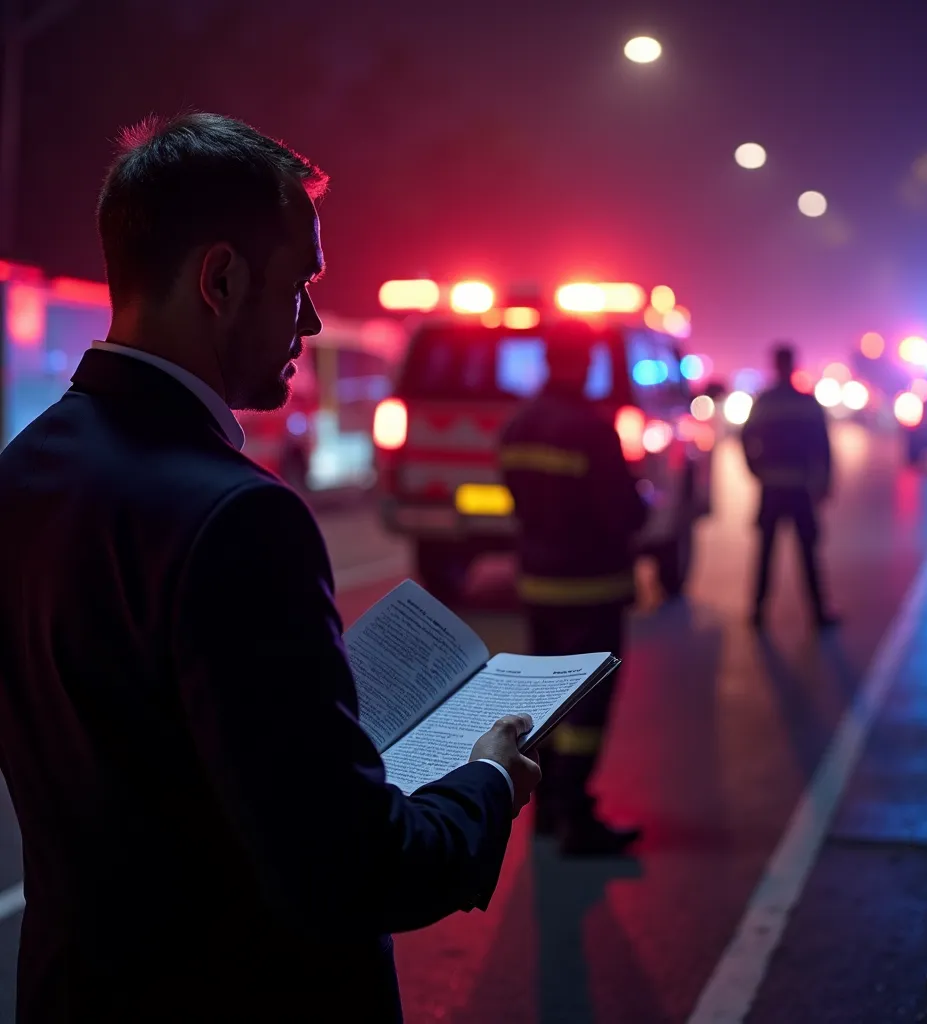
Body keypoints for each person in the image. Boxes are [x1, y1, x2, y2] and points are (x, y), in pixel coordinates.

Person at [0, 113, 541, 1024]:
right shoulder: (240, 517)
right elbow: (349, 870)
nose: (314, 320)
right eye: (300, 284)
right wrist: (486, 781)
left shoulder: (23, 474)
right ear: (220, 280)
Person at [498, 322, 647, 856]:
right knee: (587, 710)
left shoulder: (518, 425)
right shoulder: (591, 428)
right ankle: (576, 818)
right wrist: (642, 503)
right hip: (593, 588)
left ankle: (544, 809)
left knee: (548, 705)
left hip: (539, 585)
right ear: (585, 362)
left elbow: (515, 497)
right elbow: (623, 513)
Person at [741, 342, 839, 631]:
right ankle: (818, 614)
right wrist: (824, 483)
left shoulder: (765, 401)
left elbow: (746, 438)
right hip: (798, 488)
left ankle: (758, 613)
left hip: (773, 488)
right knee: (806, 553)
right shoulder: (805, 402)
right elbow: (823, 446)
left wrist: (755, 469)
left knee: (767, 553)